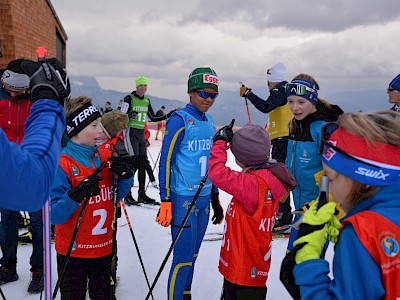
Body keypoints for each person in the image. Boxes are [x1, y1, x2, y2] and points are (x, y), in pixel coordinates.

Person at [289, 111, 400, 299]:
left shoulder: (360, 234)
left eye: (330, 178)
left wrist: (307, 259)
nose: (327, 188)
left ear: (365, 179)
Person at [50, 96, 133, 299]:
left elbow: (114, 197)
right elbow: (53, 215)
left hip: (103, 249)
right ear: (76, 130)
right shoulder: (63, 163)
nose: (100, 130)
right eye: (94, 125)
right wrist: (76, 195)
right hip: (73, 252)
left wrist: (126, 176)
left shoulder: (104, 157)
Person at [156, 67, 224, 300]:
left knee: (193, 256)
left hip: (204, 198)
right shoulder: (180, 120)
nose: (208, 100)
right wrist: (165, 199)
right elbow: (166, 161)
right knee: (182, 259)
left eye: (213, 95)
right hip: (183, 198)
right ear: (190, 92)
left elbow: (211, 163)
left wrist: (215, 196)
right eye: (203, 94)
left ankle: (185, 295)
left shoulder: (210, 121)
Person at [208, 122, 297, 300]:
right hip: (251, 268)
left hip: (243, 272)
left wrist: (219, 143)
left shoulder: (253, 185)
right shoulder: (268, 177)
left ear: (244, 157)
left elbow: (217, 173)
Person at [0, 57, 69, 212]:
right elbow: (33, 184)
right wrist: (49, 100)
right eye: (7, 88)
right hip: (27, 162)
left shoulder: (29, 103)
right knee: (9, 216)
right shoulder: (4, 104)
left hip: (24, 156)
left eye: (18, 91)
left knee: (37, 217)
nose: (11, 94)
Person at [285, 74, 343, 251]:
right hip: (301, 207)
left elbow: (336, 172)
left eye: (301, 102)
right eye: (290, 101)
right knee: (294, 259)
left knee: (304, 261)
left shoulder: (325, 129)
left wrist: (322, 205)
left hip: (318, 209)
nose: (295, 107)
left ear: (313, 100)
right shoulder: (296, 125)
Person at [0, 68, 44, 293]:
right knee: (7, 221)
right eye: (9, 89)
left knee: (37, 223)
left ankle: (38, 270)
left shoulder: (35, 104)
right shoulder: (1, 102)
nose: (12, 93)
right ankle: (8, 267)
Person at [239, 62, 293, 230]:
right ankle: (284, 214)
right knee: (283, 176)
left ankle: (284, 216)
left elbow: (265, 107)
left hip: (283, 140)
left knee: (280, 178)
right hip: (283, 138)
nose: (267, 84)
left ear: (272, 80)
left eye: (268, 80)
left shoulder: (279, 89)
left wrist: (249, 94)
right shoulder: (286, 90)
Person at [120, 76, 176, 205]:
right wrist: (129, 115)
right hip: (130, 132)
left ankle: (141, 194)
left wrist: (169, 115)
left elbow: (153, 117)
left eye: (145, 86)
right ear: (136, 87)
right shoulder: (129, 98)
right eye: (141, 86)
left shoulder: (146, 100)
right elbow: (120, 116)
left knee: (143, 163)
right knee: (132, 163)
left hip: (140, 133)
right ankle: (127, 194)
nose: (143, 88)